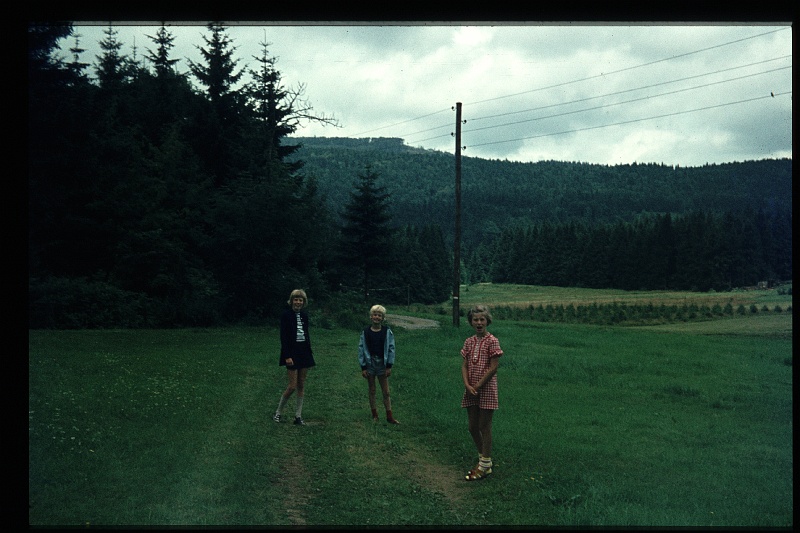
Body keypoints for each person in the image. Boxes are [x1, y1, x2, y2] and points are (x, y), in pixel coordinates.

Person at [460, 304, 503, 481]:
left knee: (484, 426)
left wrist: (477, 385)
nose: (479, 322)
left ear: (487, 321)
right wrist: (467, 385)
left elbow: (493, 367)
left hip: (486, 389)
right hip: (470, 389)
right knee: (472, 427)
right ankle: (483, 458)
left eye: (482, 319)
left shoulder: (492, 341)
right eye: (475, 320)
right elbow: (464, 365)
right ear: (471, 322)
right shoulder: (469, 342)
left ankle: (485, 465)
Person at [273, 289, 315, 426]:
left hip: (304, 352)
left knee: (301, 385)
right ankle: (278, 413)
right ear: (291, 301)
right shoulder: (286, 316)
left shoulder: (304, 316)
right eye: (296, 299)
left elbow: (306, 334)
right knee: (292, 386)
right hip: (291, 353)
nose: (298, 302)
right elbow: (283, 337)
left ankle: (298, 416)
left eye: (300, 300)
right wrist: (287, 355)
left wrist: (309, 352)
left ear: (304, 302)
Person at [357, 304, 400, 424]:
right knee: (372, 390)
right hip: (370, 363)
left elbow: (391, 348)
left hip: (382, 364)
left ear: (383, 318)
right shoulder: (365, 332)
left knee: (386, 391)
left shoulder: (387, 332)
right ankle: (374, 415)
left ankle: (389, 415)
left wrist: (389, 365)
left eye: (379, 315)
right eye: (374, 315)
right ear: (371, 317)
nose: (376, 317)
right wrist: (363, 367)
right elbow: (361, 349)